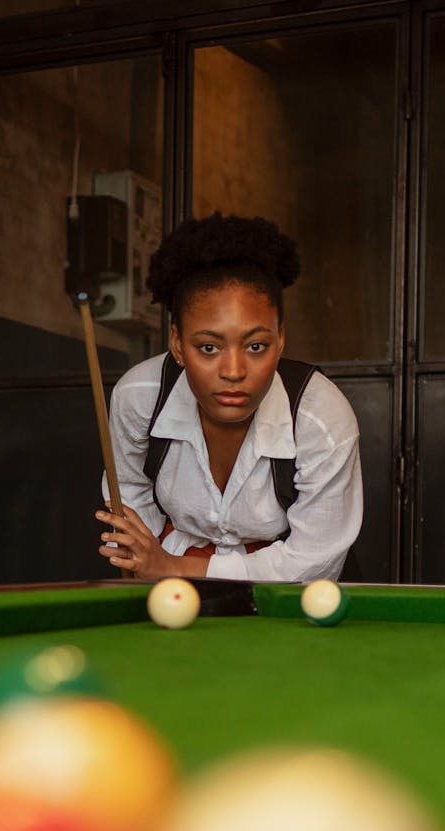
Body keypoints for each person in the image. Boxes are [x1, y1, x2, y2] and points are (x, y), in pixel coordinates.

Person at [96, 212, 362, 582]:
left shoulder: (321, 417)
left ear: (280, 340)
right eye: (208, 347)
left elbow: (314, 561)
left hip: (284, 598)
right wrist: (148, 561)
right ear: (176, 342)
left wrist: (176, 567)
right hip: (166, 585)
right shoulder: (139, 397)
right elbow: (128, 492)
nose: (234, 371)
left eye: (256, 345)